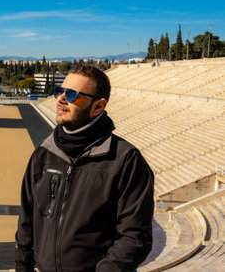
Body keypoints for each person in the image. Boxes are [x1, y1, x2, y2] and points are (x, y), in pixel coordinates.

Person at [15, 65, 154, 272]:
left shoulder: (126, 160)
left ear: (98, 106)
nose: (61, 99)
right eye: (59, 91)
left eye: (71, 94)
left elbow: (134, 238)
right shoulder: (43, 154)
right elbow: (27, 220)